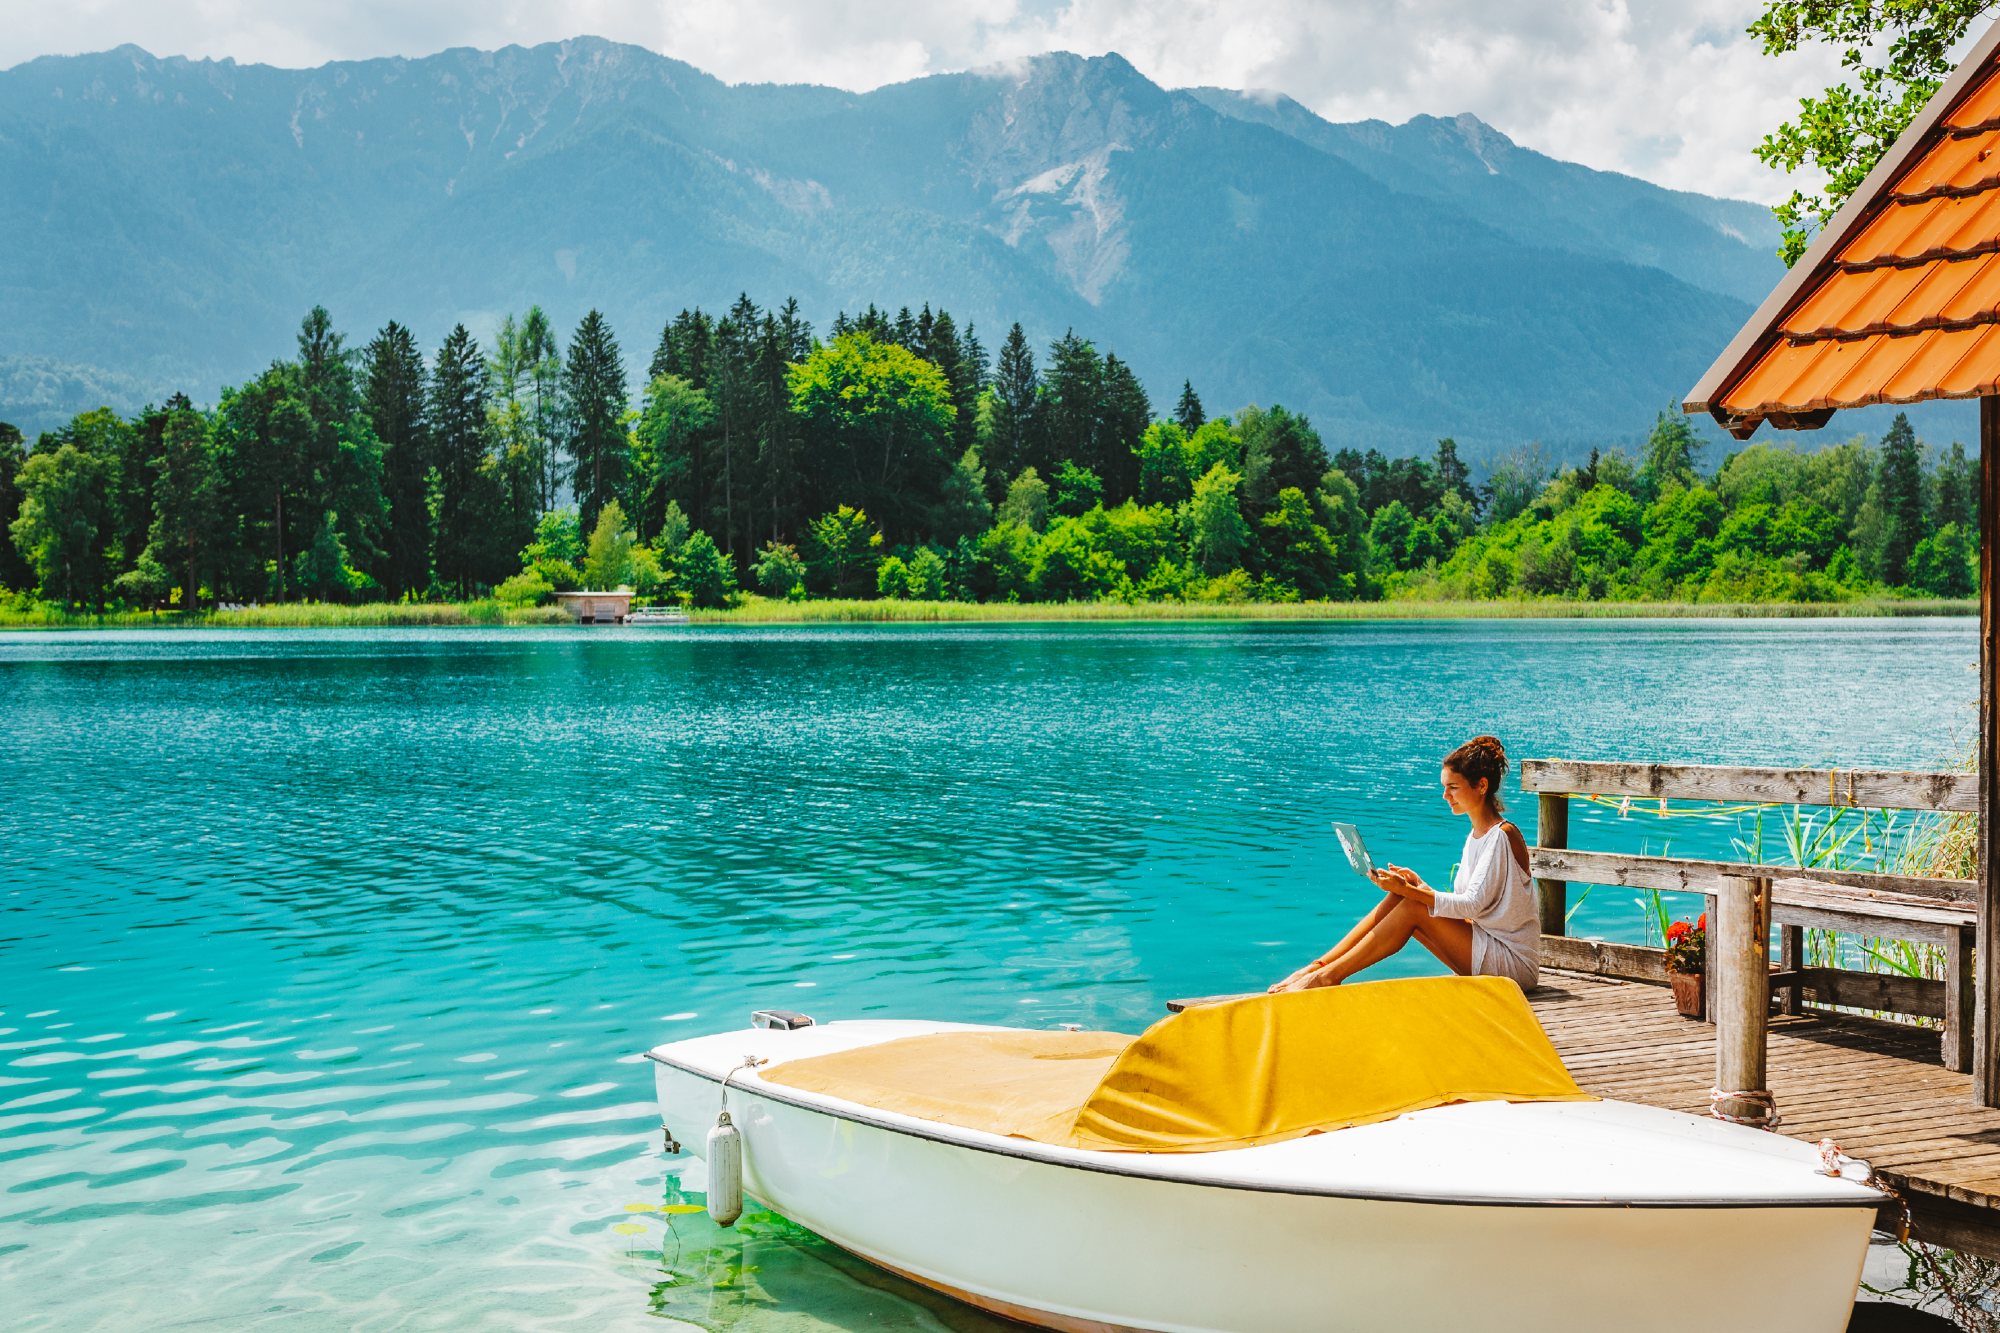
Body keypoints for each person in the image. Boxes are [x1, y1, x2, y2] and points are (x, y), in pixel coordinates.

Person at [1271, 735, 1539, 992]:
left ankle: (1326, 977)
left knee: (1412, 903)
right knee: (1404, 895)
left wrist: (1413, 893)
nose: (1445, 795)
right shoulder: (1476, 835)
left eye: (1453, 787)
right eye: (1444, 787)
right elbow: (1472, 906)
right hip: (1485, 949)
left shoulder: (1502, 836)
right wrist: (1416, 886)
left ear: (1481, 786)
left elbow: (1471, 905)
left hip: (1513, 966)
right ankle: (1316, 968)